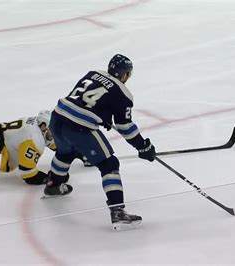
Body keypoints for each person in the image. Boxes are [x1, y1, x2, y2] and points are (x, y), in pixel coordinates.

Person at [44, 54, 156, 230]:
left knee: (65, 152)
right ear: (124, 74)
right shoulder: (123, 93)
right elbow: (125, 126)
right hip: (79, 127)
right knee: (109, 163)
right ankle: (118, 212)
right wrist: (143, 146)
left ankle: (53, 184)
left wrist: (102, 114)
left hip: (57, 117)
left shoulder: (93, 73)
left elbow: (83, 100)